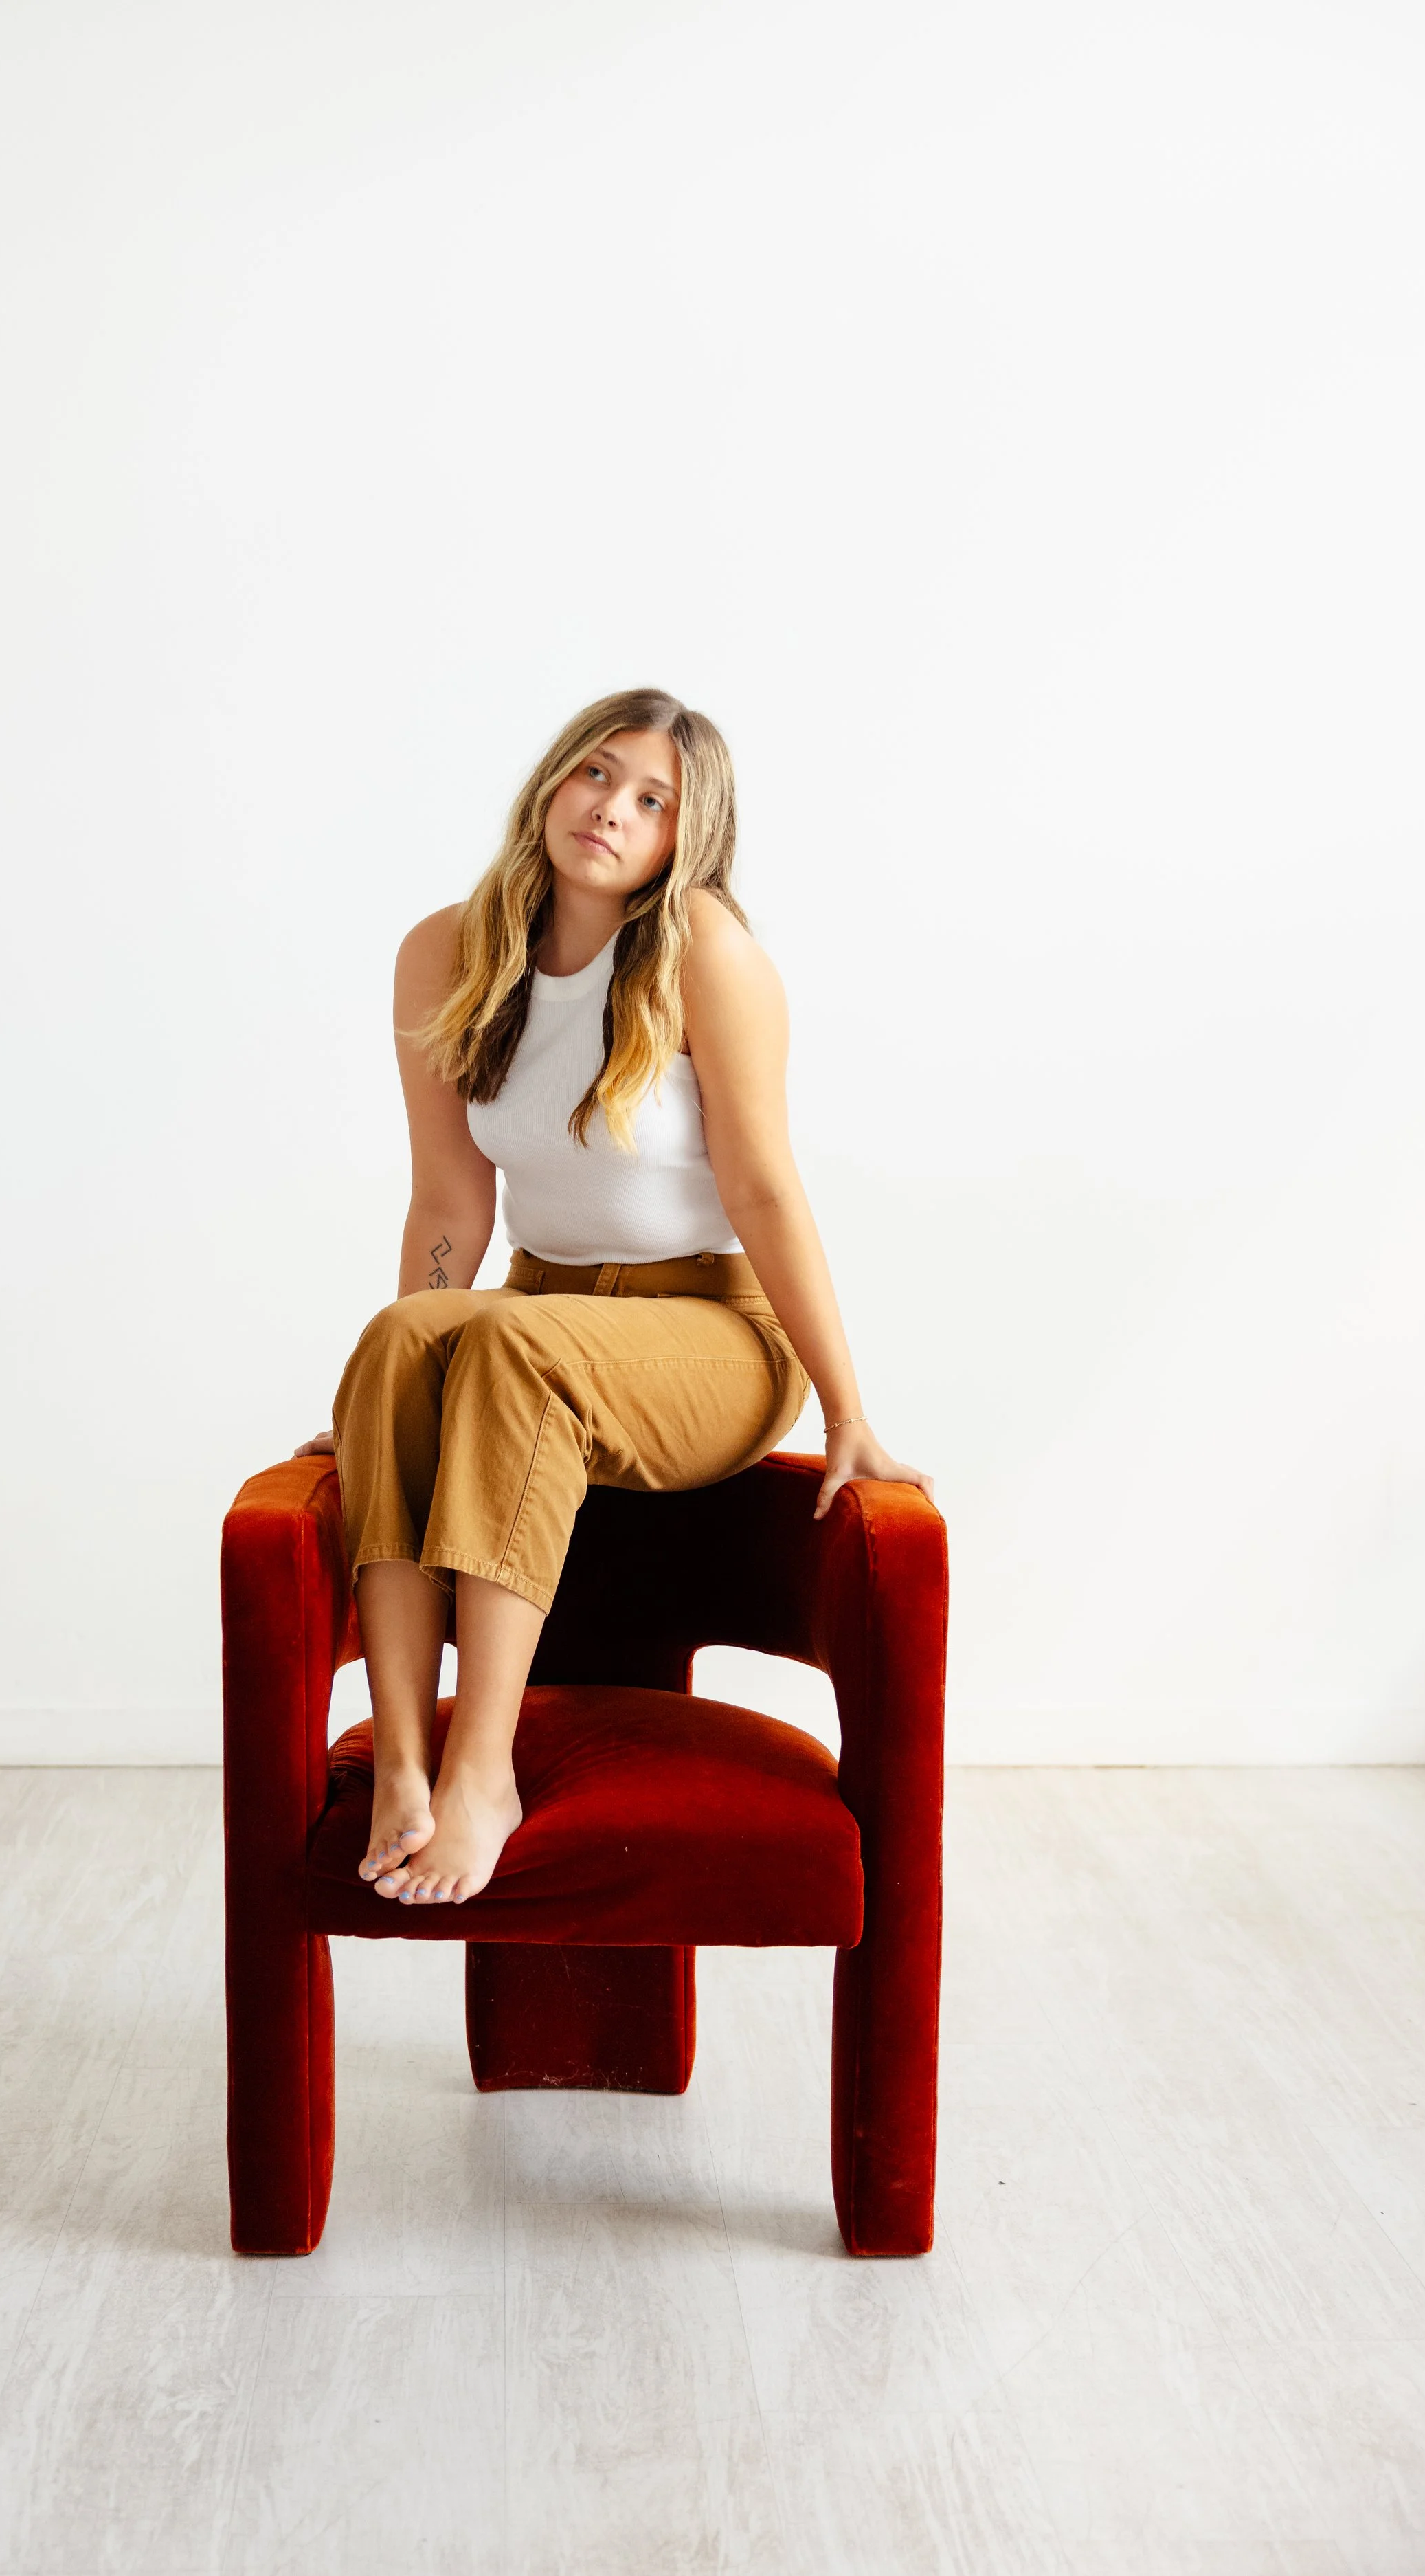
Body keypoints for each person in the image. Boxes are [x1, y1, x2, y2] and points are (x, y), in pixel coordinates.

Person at [295, 687, 932, 1909]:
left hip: (714, 1333)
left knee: (510, 1347)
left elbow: (764, 1189)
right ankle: (405, 1761)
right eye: (596, 773)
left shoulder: (703, 951)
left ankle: (483, 1773)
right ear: (552, 781)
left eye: (654, 801)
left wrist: (848, 1408)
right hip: (543, 1311)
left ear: (686, 839)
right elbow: (448, 1203)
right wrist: (398, 1385)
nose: (612, 810)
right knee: (401, 1335)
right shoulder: (444, 952)